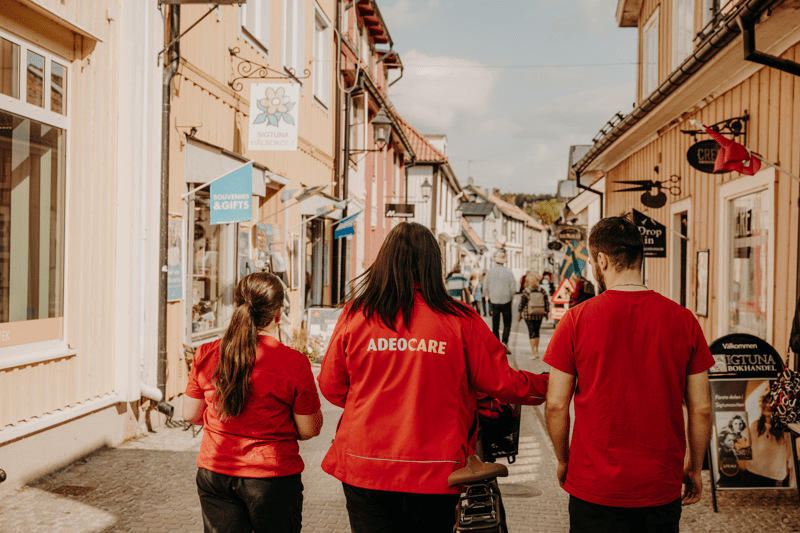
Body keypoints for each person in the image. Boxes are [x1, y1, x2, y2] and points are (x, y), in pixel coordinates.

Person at [317, 222, 548, 533]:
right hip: (437, 470)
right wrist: (553, 383)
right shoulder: (460, 319)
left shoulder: (357, 314)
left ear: (384, 262)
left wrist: (373, 399)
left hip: (364, 463)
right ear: (432, 264)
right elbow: (503, 383)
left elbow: (332, 387)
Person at [544, 215, 714, 533]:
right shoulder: (684, 320)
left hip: (593, 485)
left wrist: (564, 459)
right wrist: (694, 465)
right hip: (659, 487)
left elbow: (555, 405)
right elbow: (701, 408)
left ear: (602, 259)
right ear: (640, 257)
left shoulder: (576, 320)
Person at [183, 272, 324, 533]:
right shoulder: (293, 363)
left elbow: (190, 413)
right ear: (278, 314)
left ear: (237, 306)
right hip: (271, 478)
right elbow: (309, 429)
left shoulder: (207, 352)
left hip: (215, 473)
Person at [746, 393, 791, 486]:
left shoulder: (785, 429)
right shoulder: (755, 425)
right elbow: (747, 448)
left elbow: (790, 455)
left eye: (771, 403)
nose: (767, 405)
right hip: (752, 473)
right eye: (765, 401)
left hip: (774, 477)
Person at [484, 251, 517, 351]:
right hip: (506, 300)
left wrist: (489, 296)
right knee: (507, 322)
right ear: (504, 261)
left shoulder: (490, 272)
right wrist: (511, 297)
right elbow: (513, 288)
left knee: (495, 323)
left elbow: (485, 287)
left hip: (494, 300)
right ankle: (505, 342)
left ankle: (496, 343)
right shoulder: (508, 272)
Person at [518, 274, 550, 359]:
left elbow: (522, 304)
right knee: (537, 332)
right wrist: (547, 313)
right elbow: (546, 302)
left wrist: (519, 314)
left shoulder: (526, 291)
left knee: (531, 332)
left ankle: (533, 352)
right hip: (539, 314)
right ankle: (536, 351)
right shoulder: (542, 290)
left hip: (528, 315)